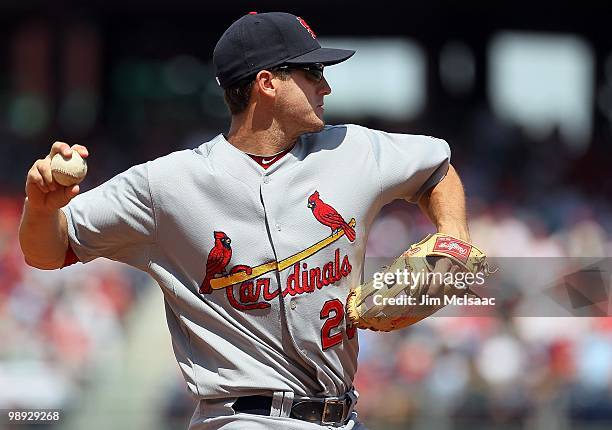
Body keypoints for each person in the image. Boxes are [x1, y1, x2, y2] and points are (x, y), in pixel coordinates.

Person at [19, 11, 470, 430]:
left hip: (344, 415)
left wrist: (454, 234)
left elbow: (436, 169)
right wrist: (41, 209)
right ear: (267, 83)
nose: (325, 87)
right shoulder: (168, 184)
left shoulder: (351, 149)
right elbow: (48, 249)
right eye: (312, 72)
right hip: (244, 418)